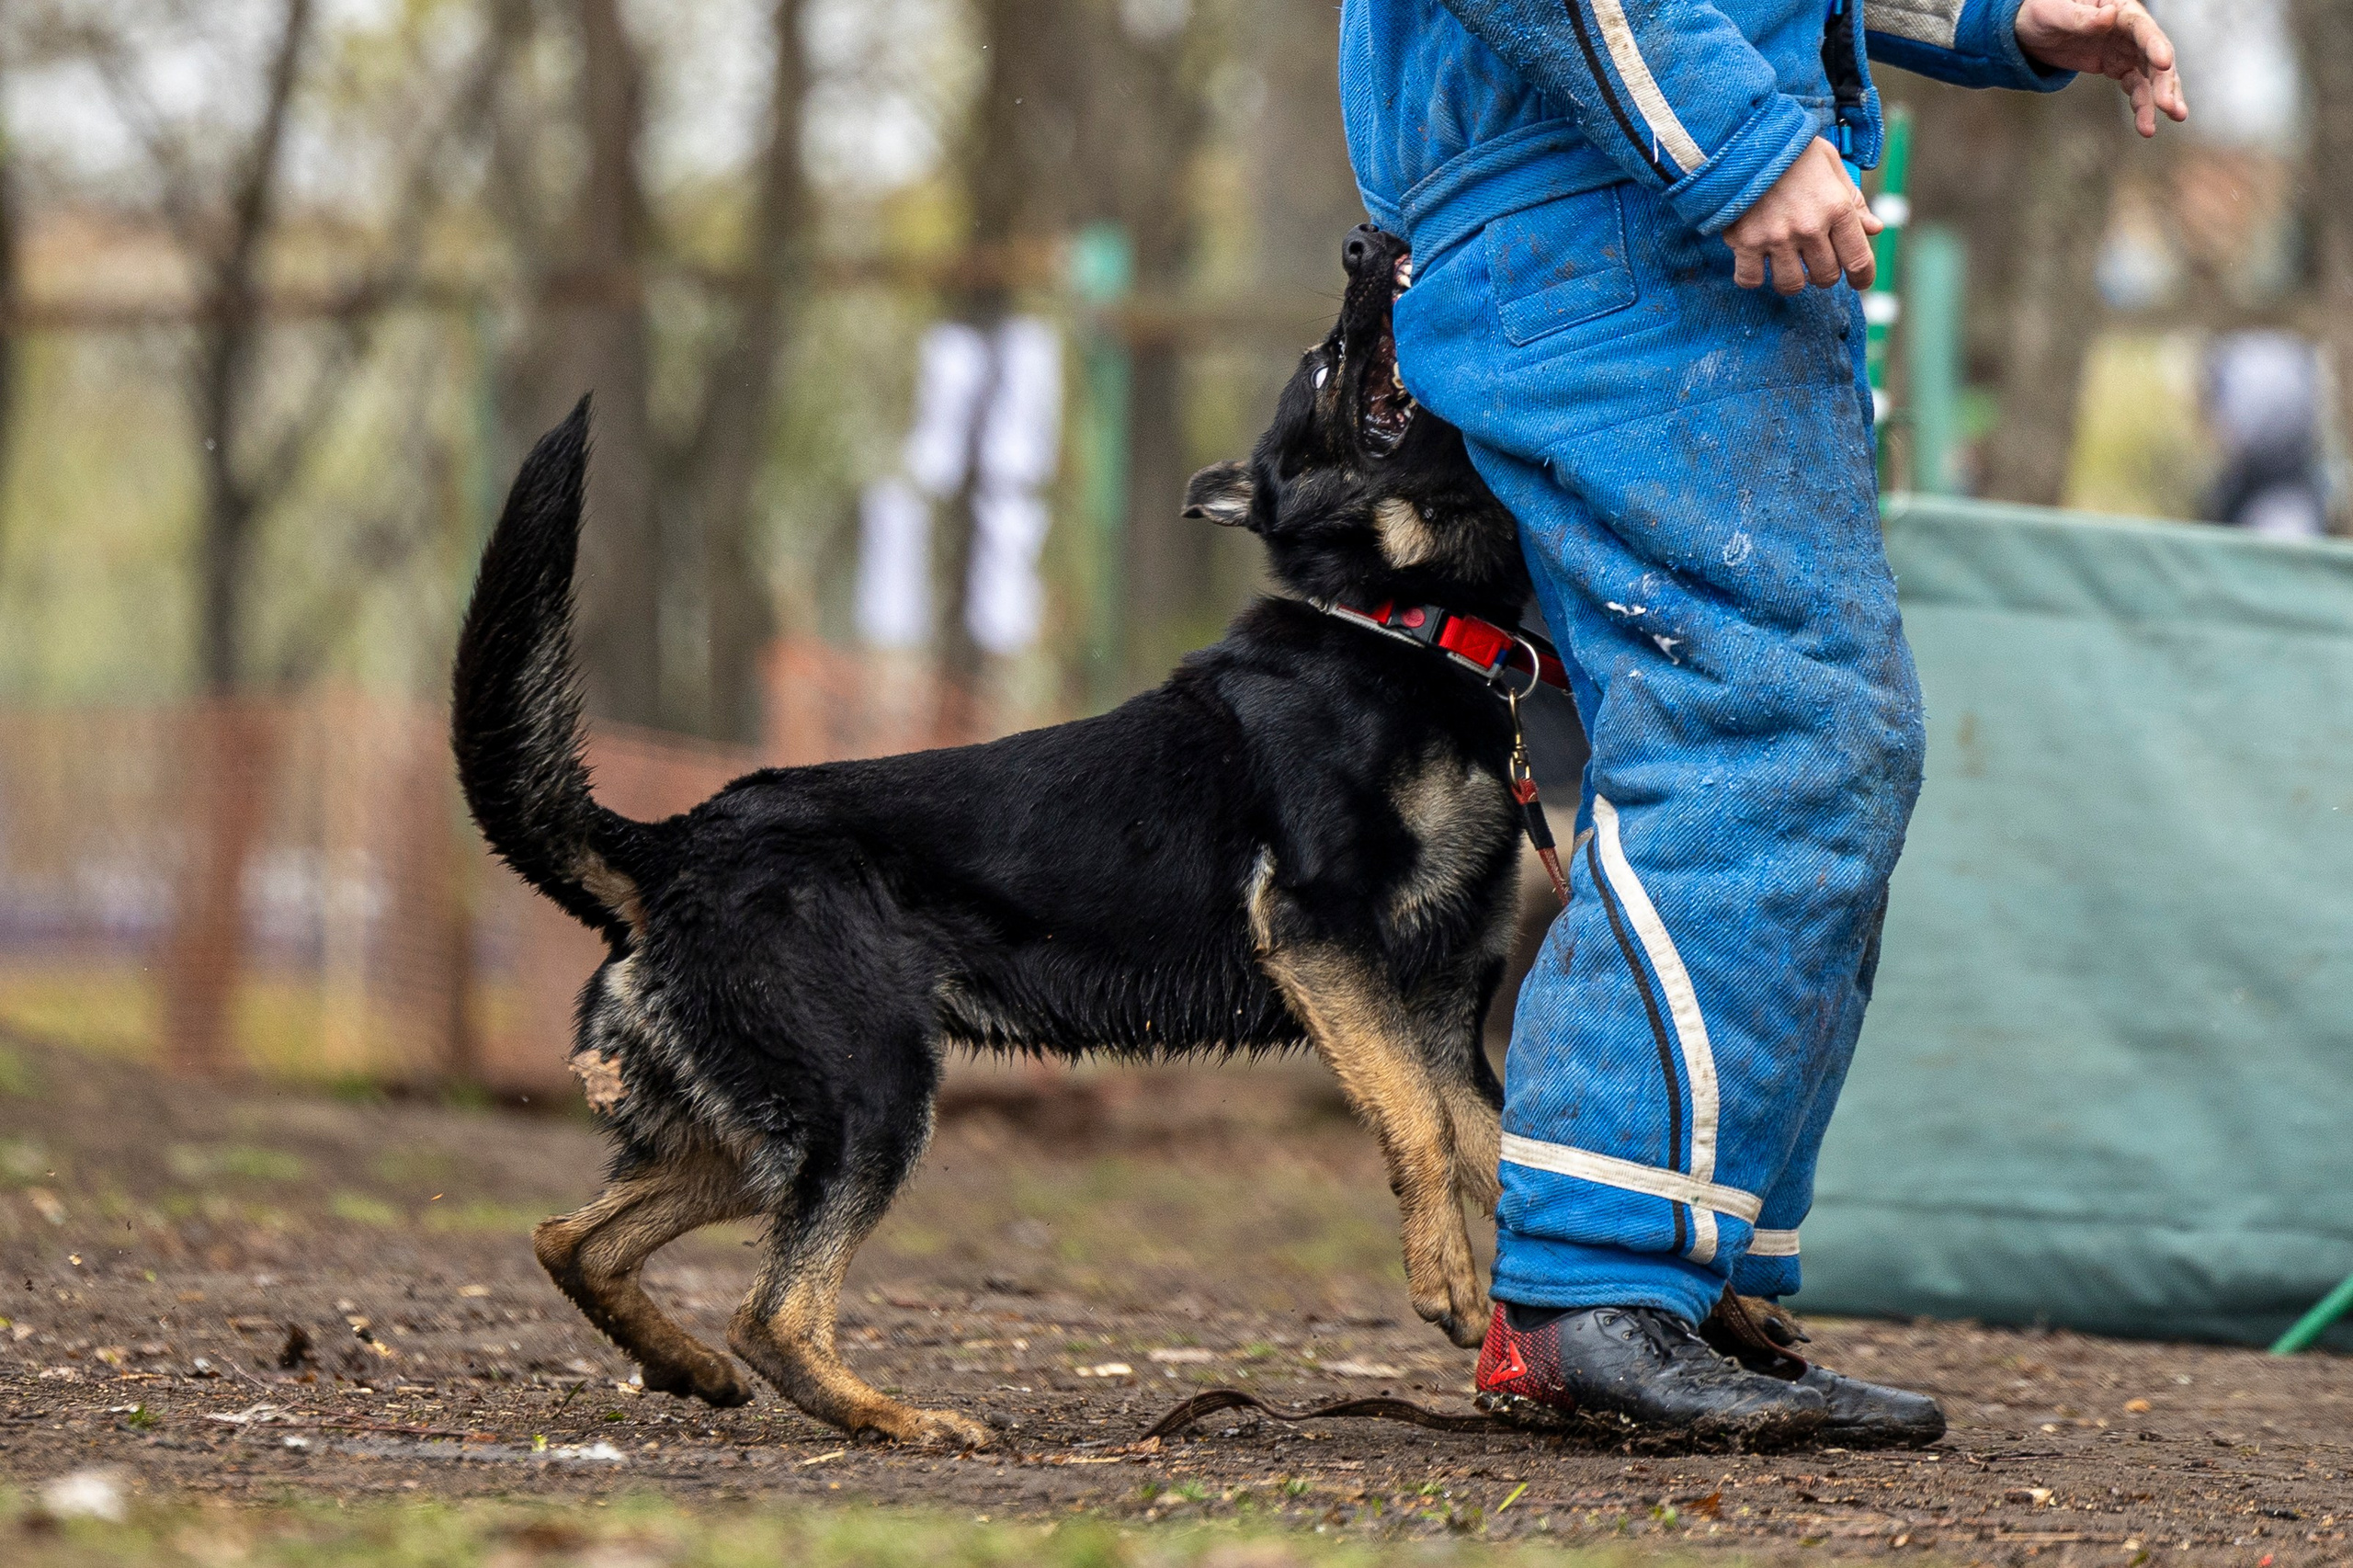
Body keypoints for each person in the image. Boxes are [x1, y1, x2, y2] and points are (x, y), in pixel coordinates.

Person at [1337, 0, 2186, 1442]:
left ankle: (1668, 1267)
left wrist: (1992, 19)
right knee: (1768, 733)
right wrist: (1730, 141)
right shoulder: (1690, 160)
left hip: (1641, 198)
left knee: (1818, 739)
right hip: (1625, 209)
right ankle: (1591, 1292)